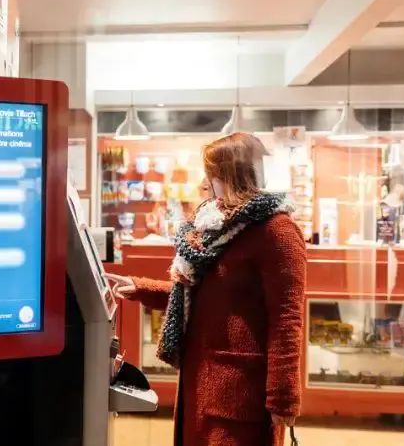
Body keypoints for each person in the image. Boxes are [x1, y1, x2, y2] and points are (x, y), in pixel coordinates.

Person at [106, 132, 306, 446]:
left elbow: (286, 319)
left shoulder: (277, 231)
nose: (205, 183)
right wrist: (138, 288)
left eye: (211, 174)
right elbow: (202, 296)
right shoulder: (213, 227)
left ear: (232, 175)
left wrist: (284, 398)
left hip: (240, 395)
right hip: (201, 384)